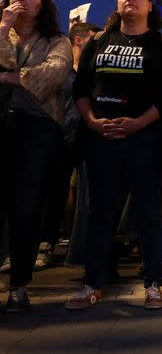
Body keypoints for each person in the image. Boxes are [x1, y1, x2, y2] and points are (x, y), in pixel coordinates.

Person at [66, 0, 162, 311]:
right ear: (116, 5)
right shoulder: (99, 42)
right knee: (99, 213)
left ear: (149, 5)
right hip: (101, 137)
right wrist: (92, 121)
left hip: (145, 139)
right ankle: (92, 285)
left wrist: (137, 123)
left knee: (149, 213)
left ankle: (153, 286)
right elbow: (81, 88)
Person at [0, 0, 72, 313]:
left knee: (26, 206)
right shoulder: (2, 30)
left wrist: (8, 76)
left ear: (43, 4)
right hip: (2, 123)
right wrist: (3, 28)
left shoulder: (57, 40)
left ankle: (19, 285)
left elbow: (52, 75)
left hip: (37, 129)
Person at [36, 22, 100, 272]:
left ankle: (82, 248)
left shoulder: (93, 73)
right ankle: (45, 244)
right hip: (59, 138)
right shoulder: (60, 71)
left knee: (87, 196)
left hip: (87, 139)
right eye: (93, 40)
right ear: (79, 41)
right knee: (53, 193)